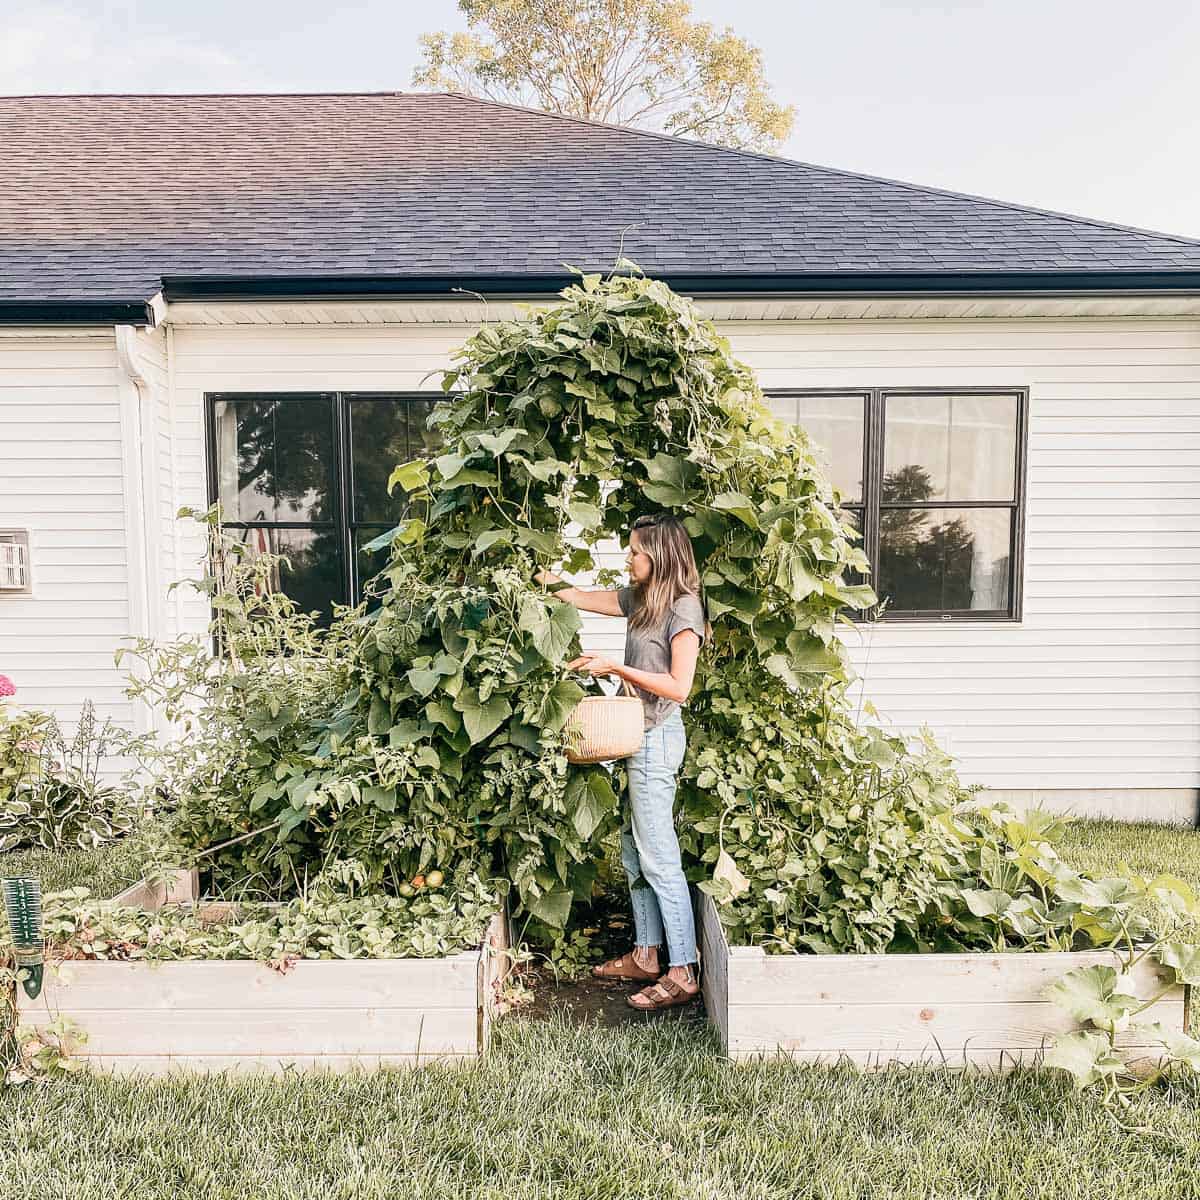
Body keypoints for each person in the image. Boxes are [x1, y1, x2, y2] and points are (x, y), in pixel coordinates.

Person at [534, 513, 711, 1011]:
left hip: (657, 741)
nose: (628, 558)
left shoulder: (684, 610)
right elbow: (587, 598)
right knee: (634, 852)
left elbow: (679, 688)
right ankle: (646, 955)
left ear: (659, 555)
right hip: (638, 735)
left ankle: (682, 971)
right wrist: (549, 581)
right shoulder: (643, 599)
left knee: (658, 857)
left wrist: (616, 666)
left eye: (635, 550)